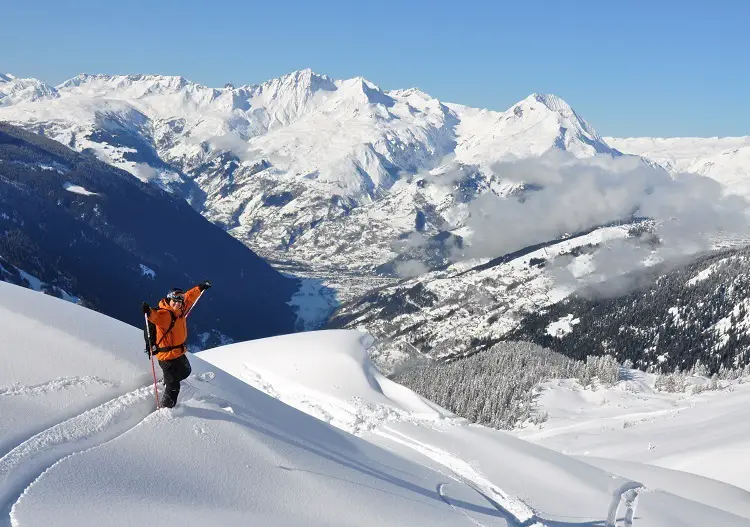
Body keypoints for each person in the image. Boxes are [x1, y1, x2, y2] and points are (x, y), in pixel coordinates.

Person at [142, 280, 211, 408]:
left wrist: (200, 288)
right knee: (174, 386)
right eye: (175, 301)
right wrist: (148, 311)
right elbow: (156, 317)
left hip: (178, 352)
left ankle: (167, 380)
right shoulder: (165, 314)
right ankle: (166, 410)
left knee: (186, 370)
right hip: (167, 356)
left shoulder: (180, 310)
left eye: (180, 301)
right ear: (169, 299)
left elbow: (189, 297)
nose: (177, 304)